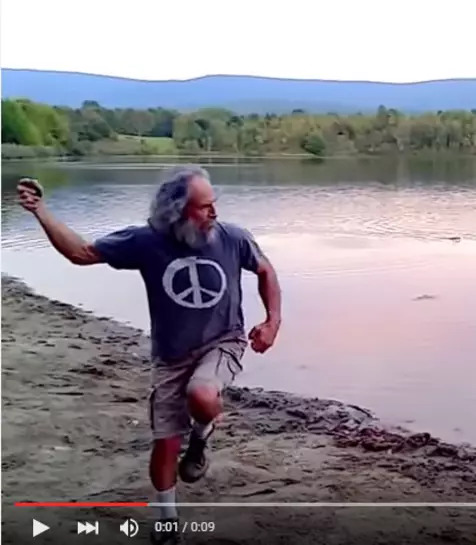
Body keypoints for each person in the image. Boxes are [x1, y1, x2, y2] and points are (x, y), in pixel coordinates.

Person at [17, 165, 282, 544]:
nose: (214, 213)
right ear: (176, 210)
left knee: (204, 393)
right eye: (204, 207)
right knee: (165, 442)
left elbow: (265, 270)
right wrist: (40, 210)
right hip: (171, 355)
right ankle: (166, 520)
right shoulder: (146, 242)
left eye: (214, 205)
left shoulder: (233, 237)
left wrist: (272, 321)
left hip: (223, 340)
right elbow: (80, 253)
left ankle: (202, 435)